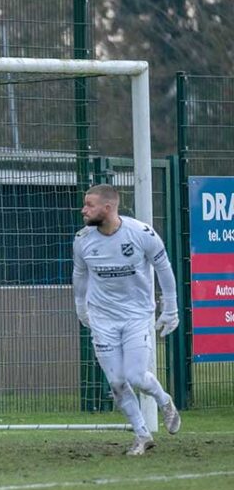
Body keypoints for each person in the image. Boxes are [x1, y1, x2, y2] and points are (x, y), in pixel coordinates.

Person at [72, 184, 182, 456]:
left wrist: (171, 309)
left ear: (108, 208)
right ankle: (142, 435)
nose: (83, 210)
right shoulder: (82, 239)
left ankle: (164, 400)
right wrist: (80, 307)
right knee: (117, 382)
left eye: (89, 205)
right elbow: (80, 275)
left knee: (135, 375)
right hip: (102, 318)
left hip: (136, 316)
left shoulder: (141, 233)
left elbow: (164, 268)